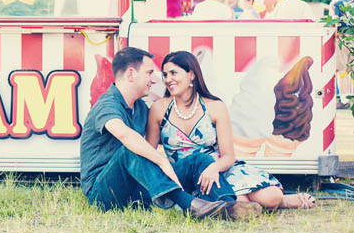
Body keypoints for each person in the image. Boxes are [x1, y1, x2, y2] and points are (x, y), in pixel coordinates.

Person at [79, 47, 262, 219]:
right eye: (149, 73)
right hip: (103, 193)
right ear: (131, 74)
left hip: (134, 189)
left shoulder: (141, 108)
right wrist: (162, 161)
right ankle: (190, 204)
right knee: (132, 149)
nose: (155, 80)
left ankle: (229, 207)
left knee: (199, 159)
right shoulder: (107, 104)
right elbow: (125, 135)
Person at [146, 51, 317, 210]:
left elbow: (228, 155)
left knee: (271, 195)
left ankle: (277, 201)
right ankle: (255, 205)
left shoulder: (215, 107)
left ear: (191, 74)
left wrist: (214, 168)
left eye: (174, 73)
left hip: (218, 168)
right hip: (186, 175)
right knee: (240, 200)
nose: (168, 79)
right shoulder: (159, 109)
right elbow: (149, 152)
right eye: (165, 74)